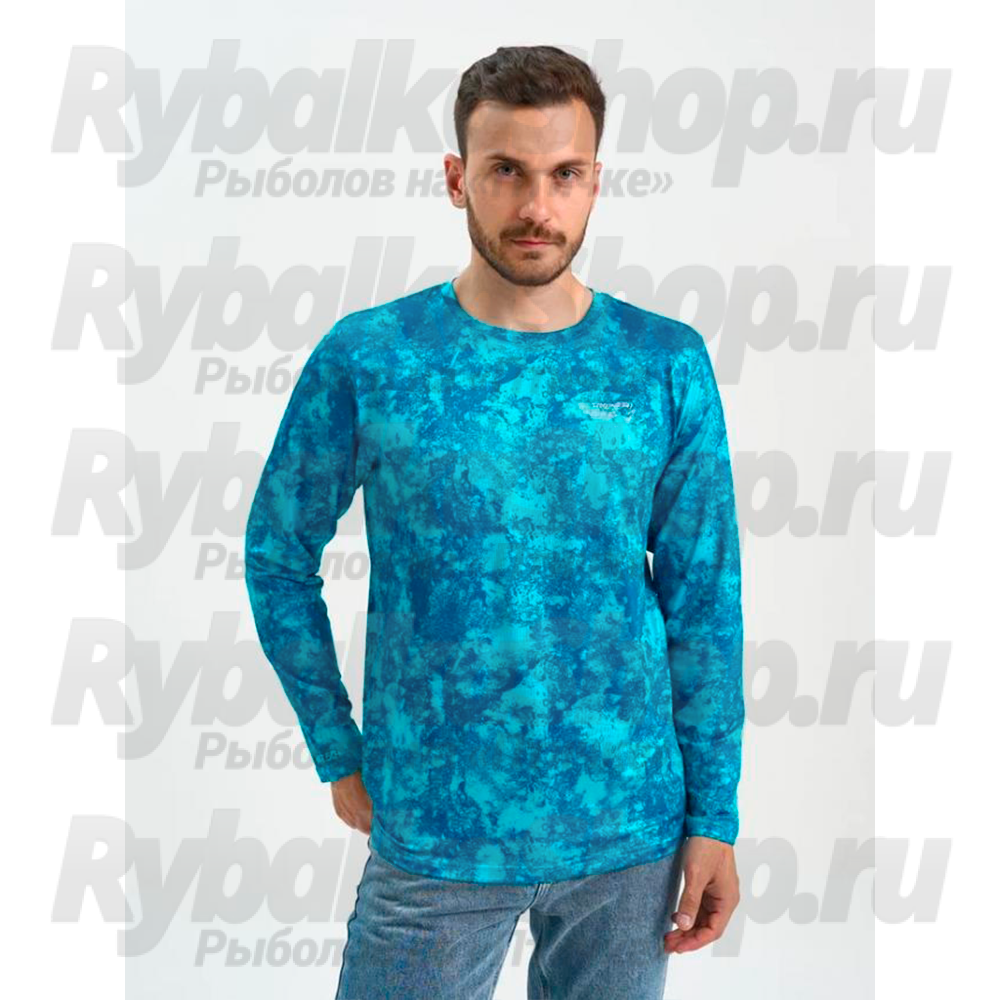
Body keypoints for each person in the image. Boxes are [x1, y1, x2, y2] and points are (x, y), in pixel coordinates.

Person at [245, 43, 745, 1000]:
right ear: (456, 178)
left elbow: (705, 601)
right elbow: (276, 554)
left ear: (596, 182)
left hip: (628, 832)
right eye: (506, 171)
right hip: (436, 832)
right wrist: (336, 747)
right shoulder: (372, 356)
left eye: (565, 174)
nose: (536, 206)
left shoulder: (662, 362)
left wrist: (713, 816)